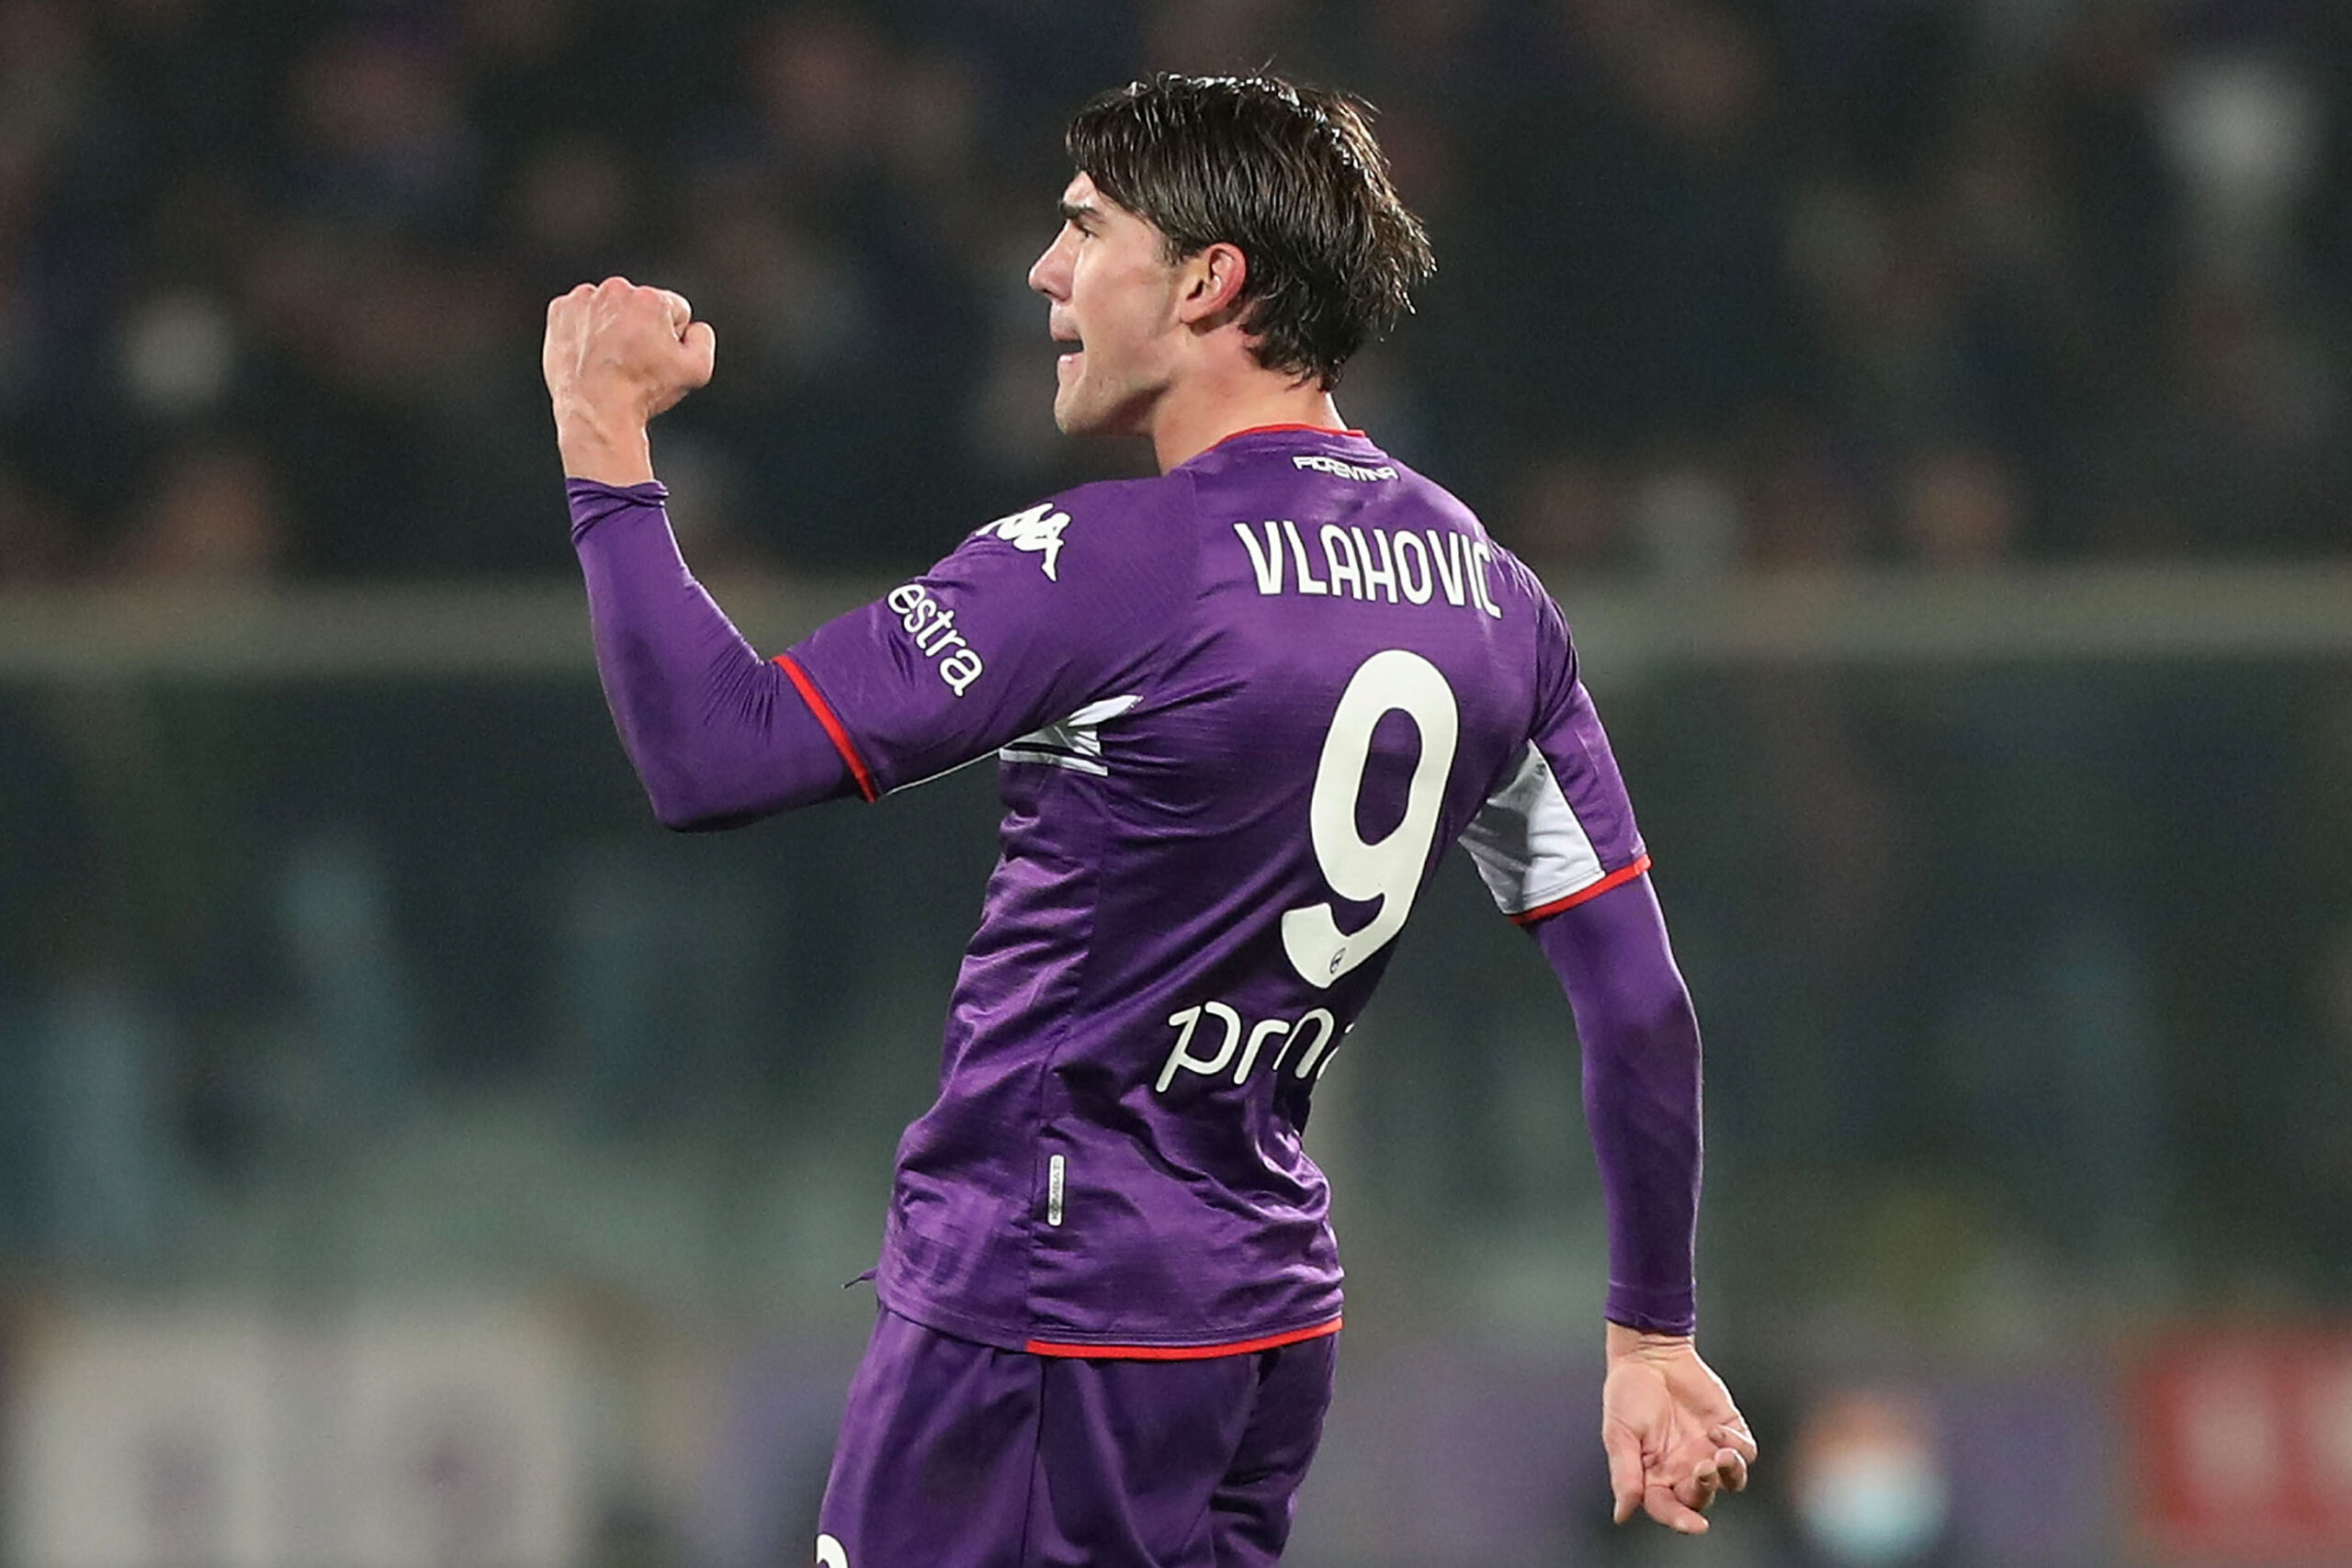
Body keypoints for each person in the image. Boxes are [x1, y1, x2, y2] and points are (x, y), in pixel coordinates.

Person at [543, 73, 1754, 1568]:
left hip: (1049, 1304)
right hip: (1262, 1319)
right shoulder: (1498, 604)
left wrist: (604, 440)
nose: (1045, 273)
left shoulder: (1117, 563)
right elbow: (1639, 1004)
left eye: (1085, 229)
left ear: (1207, 281)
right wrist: (1651, 1334)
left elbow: (714, 755)